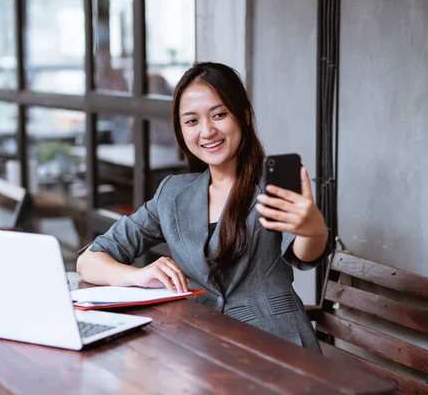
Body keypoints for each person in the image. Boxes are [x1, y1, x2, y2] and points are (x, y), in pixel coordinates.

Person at [77, 62, 330, 351]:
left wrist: (313, 229)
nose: (207, 131)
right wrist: (136, 275)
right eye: (192, 121)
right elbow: (89, 260)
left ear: (244, 116)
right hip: (199, 346)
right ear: (181, 130)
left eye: (219, 115)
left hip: (277, 346)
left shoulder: (276, 182)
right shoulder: (173, 193)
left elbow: (305, 252)